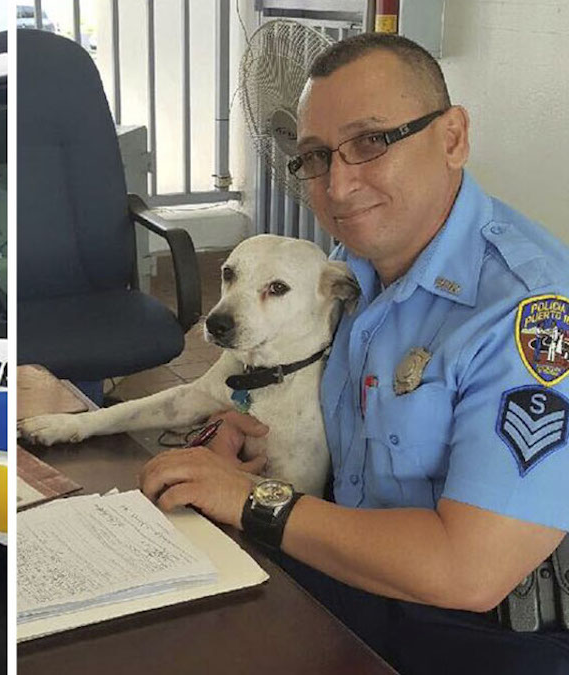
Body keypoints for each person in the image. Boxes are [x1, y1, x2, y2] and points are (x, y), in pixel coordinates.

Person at [137, 33, 569, 673]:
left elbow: (468, 570)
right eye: (315, 156)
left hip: (482, 635)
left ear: (452, 137)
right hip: (342, 573)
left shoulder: (530, 311)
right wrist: (262, 442)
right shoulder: (345, 274)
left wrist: (251, 500)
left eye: (372, 142)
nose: (338, 185)